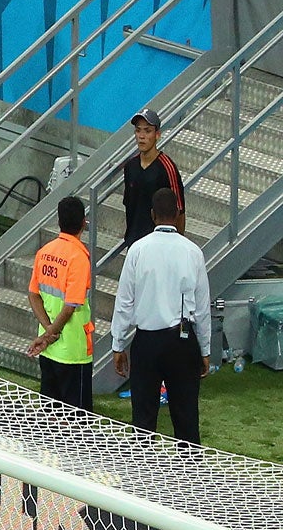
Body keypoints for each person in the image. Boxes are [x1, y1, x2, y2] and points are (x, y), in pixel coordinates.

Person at [112, 187, 212, 441]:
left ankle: (141, 477)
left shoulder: (137, 250)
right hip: (182, 341)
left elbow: (125, 302)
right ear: (178, 214)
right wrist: (205, 350)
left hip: (147, 343)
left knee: (143, 421)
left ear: (152, 215)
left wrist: (118, 344)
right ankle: (189, 476)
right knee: (187, 418)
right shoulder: (193, 252)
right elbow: (201, 308)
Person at [30, 196, 97, 413]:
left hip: (48, 350)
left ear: (59, 222)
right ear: (83, 223)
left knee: (50, 415)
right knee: (75, 419)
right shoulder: (78, 258)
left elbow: (34, 295)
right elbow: (70, 306)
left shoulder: (45, 252)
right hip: (72, 351)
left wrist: (47, 332)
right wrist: (52, 333)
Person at [121, 108, 185, 245]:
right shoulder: (130, 167)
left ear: (157, 135)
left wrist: (177, 246)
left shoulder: (168, 168)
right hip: (134, 244)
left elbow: (179, 211)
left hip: (160, 246)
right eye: (138, 130)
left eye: (147, 131)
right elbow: (129, 207)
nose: (142, 136)